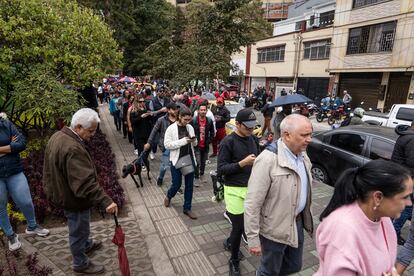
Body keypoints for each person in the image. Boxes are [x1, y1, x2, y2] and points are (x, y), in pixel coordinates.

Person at [43, 108, 118, 274]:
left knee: (80, 227)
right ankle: (80, 263)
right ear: (78, 127)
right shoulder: (72, 148)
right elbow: (85, 183)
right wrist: (107, 201)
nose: (92, 135)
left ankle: (85, 245)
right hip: (72, 198)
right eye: (90, 131)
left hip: (63, 192)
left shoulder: (58, 136)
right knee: (78, 230)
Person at [314, 160, 412, 276]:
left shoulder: (381, 217)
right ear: (378, 197)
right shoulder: (342, 232)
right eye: (404, 197)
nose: (409, 203)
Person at [244, 114, 313, 276]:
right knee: (269, 271)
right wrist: (253, 238)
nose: (309, 139)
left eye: (310, 134)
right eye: (304, 135)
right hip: (273, 229)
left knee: (294, 266)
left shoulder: (303, 156)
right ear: (286, 135)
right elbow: (252, 203)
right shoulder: (267, 160)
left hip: (296, 222)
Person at [218, 108, 260, 276]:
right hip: (234, 190)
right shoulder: (227, 142)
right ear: (237, 124)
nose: (251, 130)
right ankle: (234, 260)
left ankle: (229, 242)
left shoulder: (254, 139)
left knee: (245, 225)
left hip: (252, 189)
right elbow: (221, 169)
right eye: (247, 127)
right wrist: (242, 163)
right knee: (239, 227)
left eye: (252, 127)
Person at [0, 117, 50, 252]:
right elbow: (15, 147)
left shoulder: (5, 124)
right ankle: (11, 235)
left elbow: (22, 143)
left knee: (26, 201)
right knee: (0, 206)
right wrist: (10, 148)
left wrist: (2, 150)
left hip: (14, 171)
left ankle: (32, 226)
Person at [163, 107, 198, 220]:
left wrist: (194, 140)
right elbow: (167, 145)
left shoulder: (190, 127)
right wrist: (183, 141)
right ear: (179, 117)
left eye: (189, 120)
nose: (187, 122)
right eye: (185, 119)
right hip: (176, 160)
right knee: (176, 184)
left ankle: (187, 208)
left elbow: (195, 144)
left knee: (189, 185)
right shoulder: (171, 128)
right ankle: (169, 195)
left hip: (189, 159)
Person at [144, 102, 179, 186]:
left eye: (176, 109)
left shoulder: (179, 119)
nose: (176, 111)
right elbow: (154, 132)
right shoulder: (161, 120)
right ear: (168, 110)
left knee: (176, 166)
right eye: (173, 109)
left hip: (178, 145)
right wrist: (149, 142)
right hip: (167, 146)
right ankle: (160, 177)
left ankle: (175, 184)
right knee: (165, 164)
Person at [391, 122, 414, 245]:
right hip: (406, 178)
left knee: (396, 204)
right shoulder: (411, 138)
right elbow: (412, 162)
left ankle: (387, 230)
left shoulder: (405, 135)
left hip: (399, 175)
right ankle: (394, 233)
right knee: (406, 207)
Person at [191, 102, 215, 186]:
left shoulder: (209, 120)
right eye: (201, 110)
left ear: (207, 110)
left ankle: (202, 174)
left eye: (204, 110)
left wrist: (209, 140)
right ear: (198, 111)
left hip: (205, 145)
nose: (203, 111)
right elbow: (190, 131)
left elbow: (212, 132)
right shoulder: (194, 120)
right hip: (197, 145)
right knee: (197, 162)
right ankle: (196, 177)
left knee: (203, 161)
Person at [129, 96, 152, 162]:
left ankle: (144, 160)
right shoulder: (134, 111)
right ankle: (141, 163)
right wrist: (141, 117)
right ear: (137, 102)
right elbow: (133, 121)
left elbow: (149, 120)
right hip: (138, 134)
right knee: (141, 150)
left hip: (147, 133)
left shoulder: (145, 109)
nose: (142, 103)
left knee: (148, 149)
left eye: (143, 101)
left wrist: (150, 115)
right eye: (140, 101)